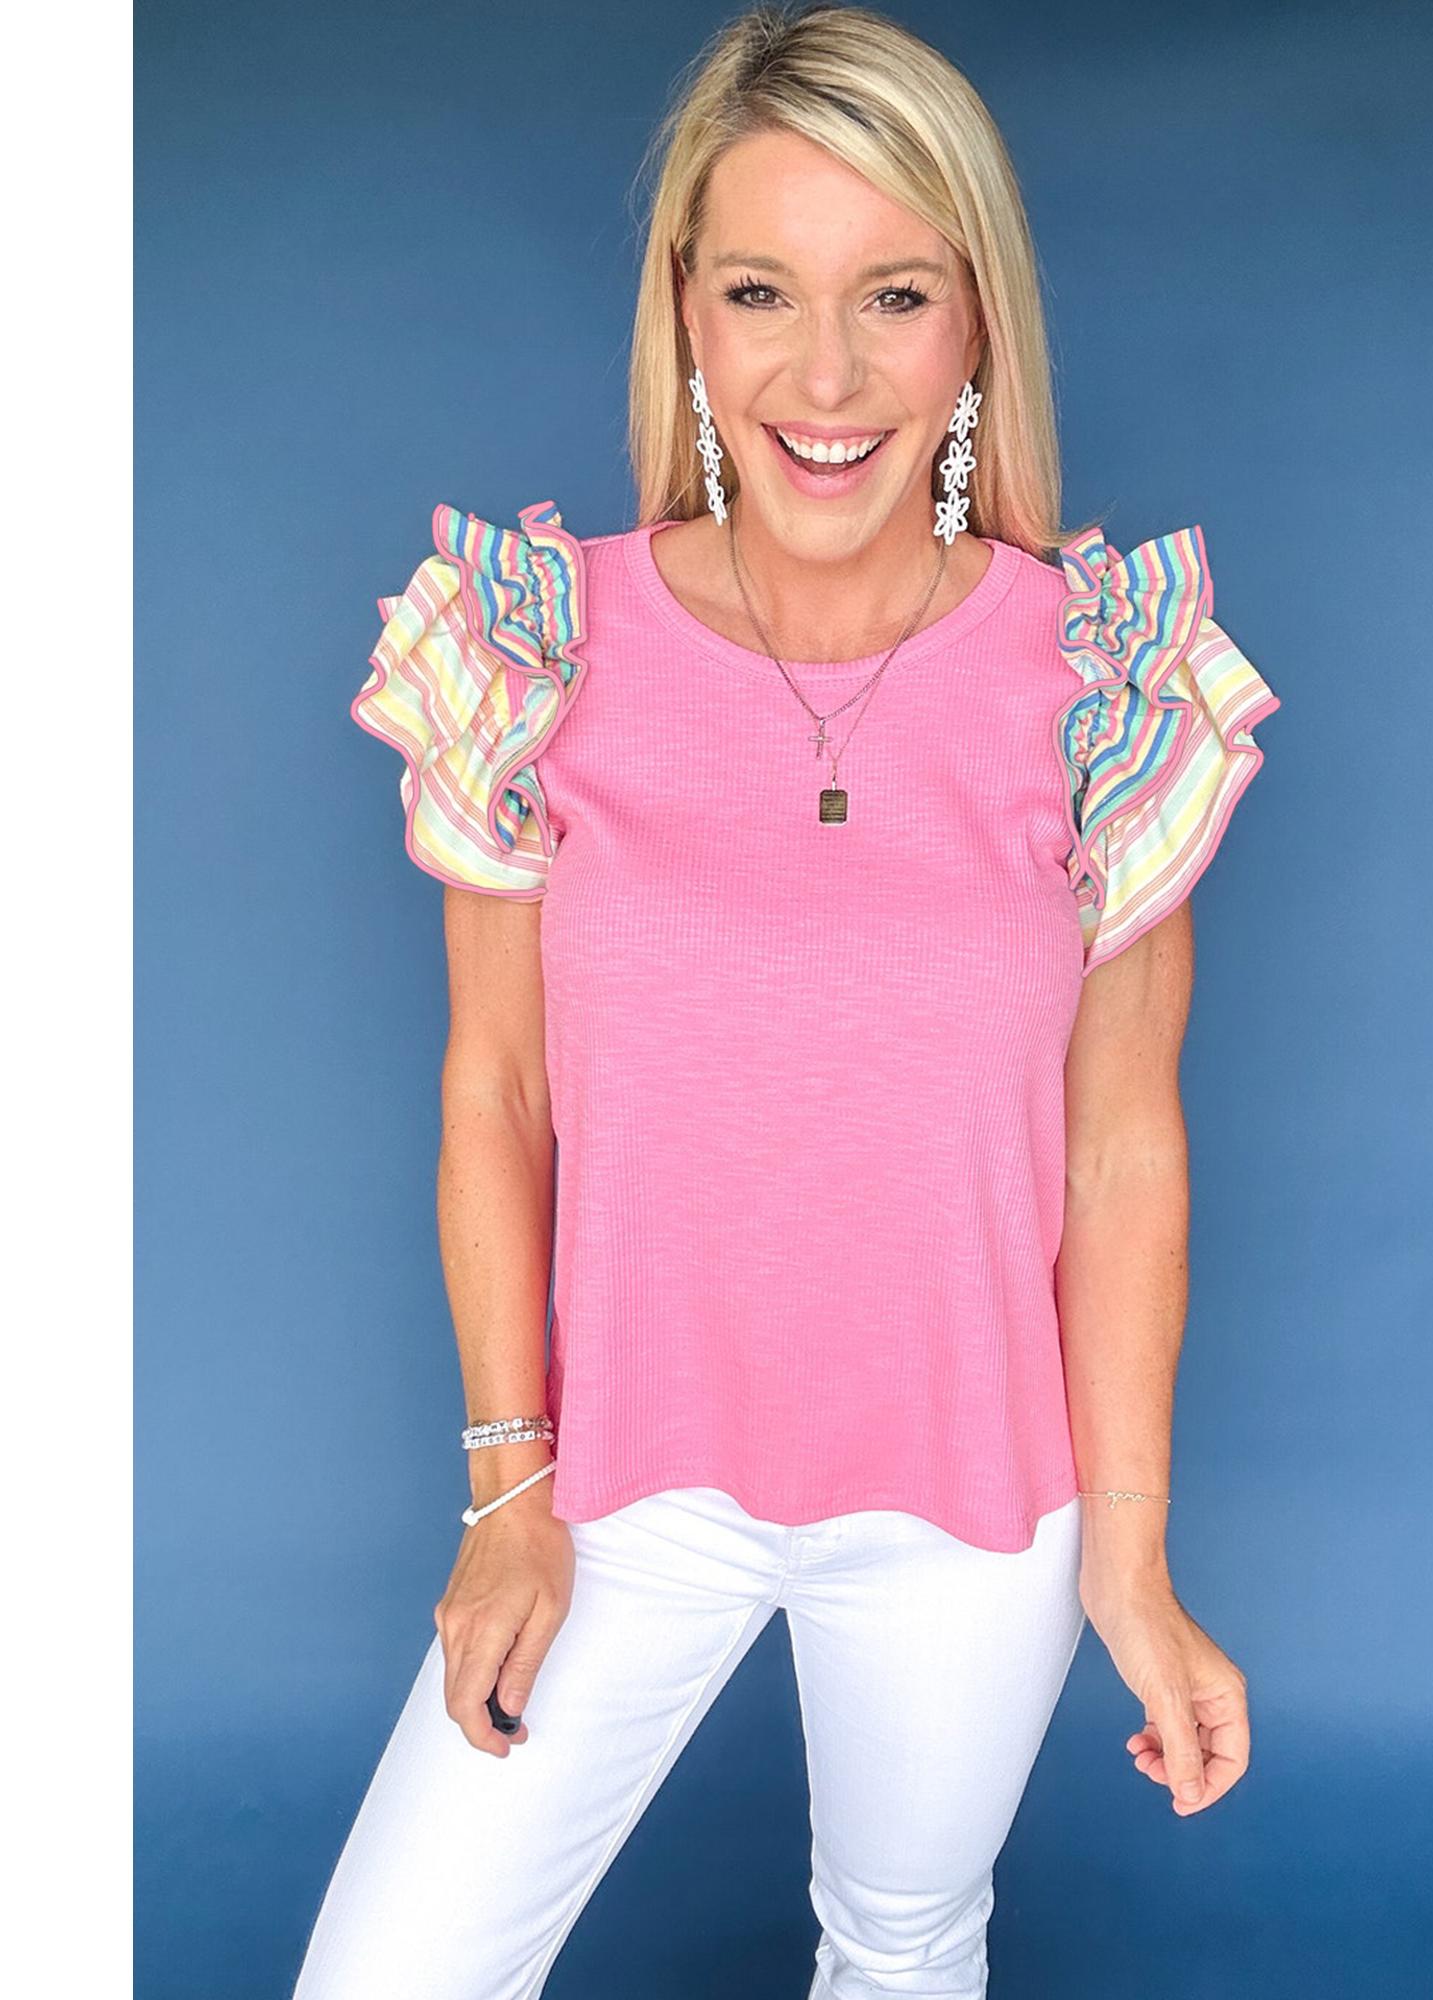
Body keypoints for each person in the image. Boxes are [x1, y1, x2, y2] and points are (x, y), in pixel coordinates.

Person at [293, 5, 1279, 1994]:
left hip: (971, 1504)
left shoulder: (1103, 682)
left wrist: (1129, 1556)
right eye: (761, 291)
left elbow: (1121, 1145)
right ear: (686, 312)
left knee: (901, 1944)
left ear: (974, 328)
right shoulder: (540, 651)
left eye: (893, 296)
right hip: (617, 1482)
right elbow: (495, 1095)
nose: (824, 377)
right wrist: (506, 1492)